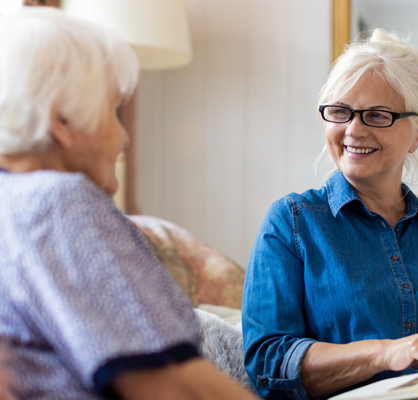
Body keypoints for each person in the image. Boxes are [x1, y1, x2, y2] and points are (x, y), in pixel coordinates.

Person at [242, 29, 418, 400]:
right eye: (340, 111)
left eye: (377, 115)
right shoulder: (292, 223)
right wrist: (388, 352)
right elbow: (268, 364)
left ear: (417, 131)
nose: (354, 130)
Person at [0, 8, 256, 400]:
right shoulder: (57, 203)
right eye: (112, 110)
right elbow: (177, 388)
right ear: (61, 121)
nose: (123, 137)